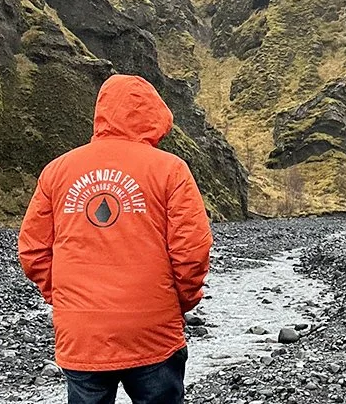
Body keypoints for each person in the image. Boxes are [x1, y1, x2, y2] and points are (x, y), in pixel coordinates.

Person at [18, 74, 213, 404]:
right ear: (155, 114)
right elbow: (192, 250)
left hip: (82, 332)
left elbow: (33, 249)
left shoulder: (57, 171)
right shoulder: (170, 170)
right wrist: (182, 301)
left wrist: (65, 298)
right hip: (153, 330)